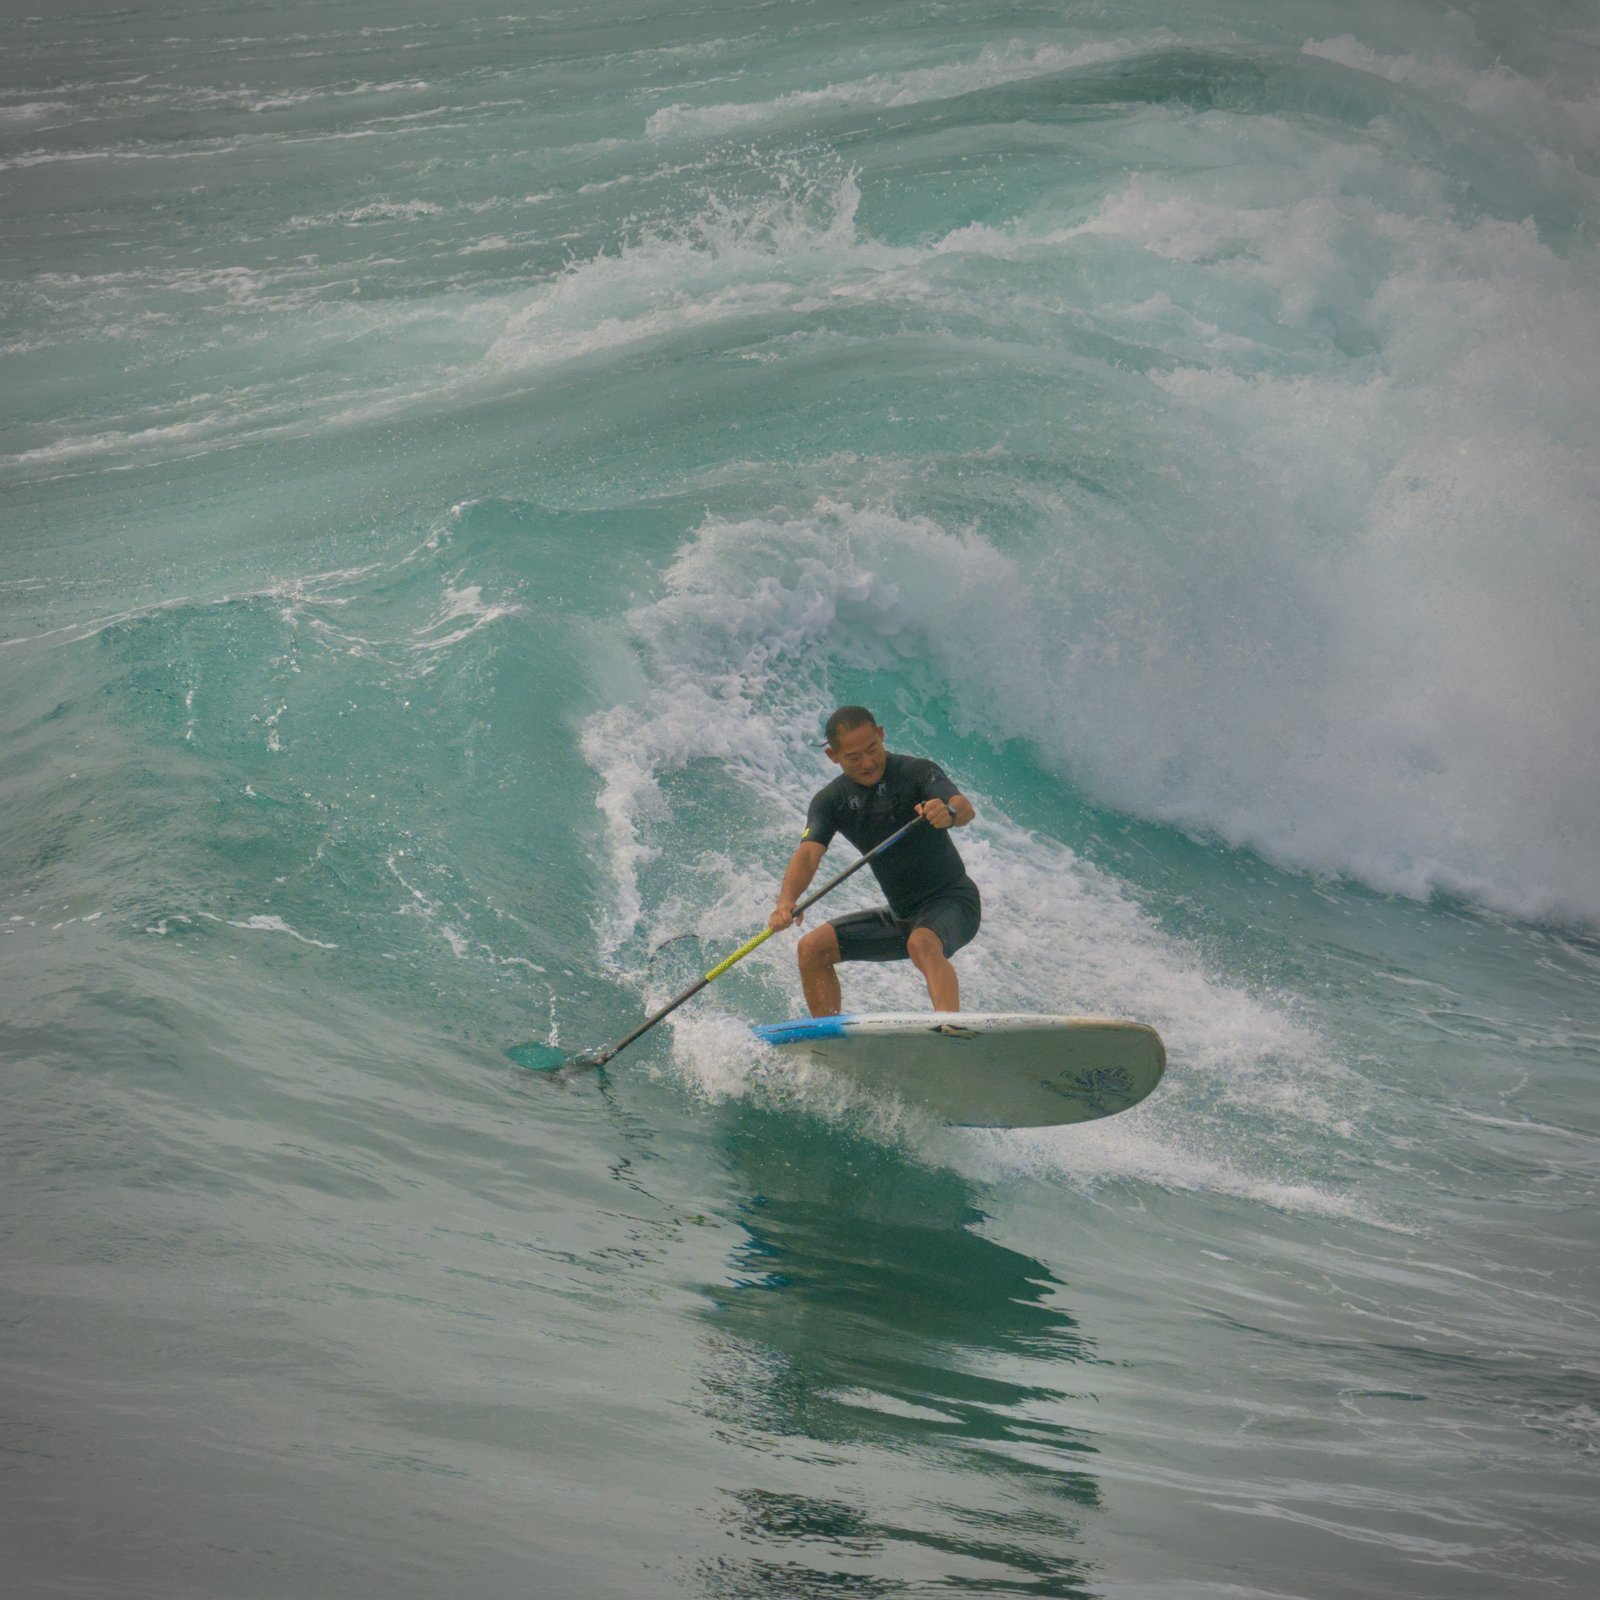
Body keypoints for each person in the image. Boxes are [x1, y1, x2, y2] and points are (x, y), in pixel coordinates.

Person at [768, 706, 980, 1016]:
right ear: (833, 756)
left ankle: (949, 1030)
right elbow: (809, 852)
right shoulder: (830, 802)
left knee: (922, 944)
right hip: (903, 917)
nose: (868, 763)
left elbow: (963, 807)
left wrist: (947, 813)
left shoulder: (916, 772)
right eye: (854, 757)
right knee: (812, 949)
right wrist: (786, 902)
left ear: (881, 735)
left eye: (873, 749)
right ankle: (830, 1045)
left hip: (955, 903)